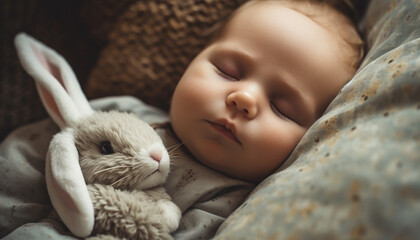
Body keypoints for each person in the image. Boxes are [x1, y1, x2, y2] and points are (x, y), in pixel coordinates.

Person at [0, 0, 363, 239]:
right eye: (228, 71)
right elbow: (30, 155)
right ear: (192, 61)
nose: (244, 99)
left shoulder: (231, 208)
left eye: (283, 107)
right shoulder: (123, 113)